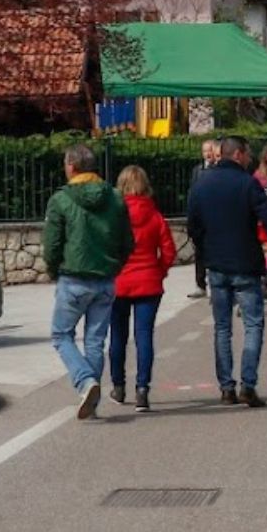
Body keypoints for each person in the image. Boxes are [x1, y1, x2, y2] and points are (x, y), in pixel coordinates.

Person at [186, 135, 267, 407]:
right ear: (238, 155)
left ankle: (226, 386)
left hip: (216, 264)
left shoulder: (201, 184)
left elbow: (193, 225)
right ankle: (248, 383)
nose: (249, 159)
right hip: (245, 262)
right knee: (253, 324)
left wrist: (206, 249)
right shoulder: (248, 183)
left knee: (222, 327)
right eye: (246, 154)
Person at [42, 144, 134, 420]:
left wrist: (53, 269)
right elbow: (127, 241)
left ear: (71, 166)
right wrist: (115, 265)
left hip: (73, 276)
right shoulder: (116, 198)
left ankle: (84, 383)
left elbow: (52, 243)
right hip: (105, 278)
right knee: (95, 341)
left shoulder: (61, 199)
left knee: (61, 334)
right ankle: (90, 400)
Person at [108, 165, 176, 412]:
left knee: (117, 336)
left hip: (119, 281)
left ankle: (118, 386)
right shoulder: (155, 215)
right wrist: (160, 271)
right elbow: (169, 250)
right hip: (148, 280)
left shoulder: (114, 216)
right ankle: (142, 390)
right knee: (144, 336)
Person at [186, 138, 220, 299]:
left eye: (210, 150)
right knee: (199, 251)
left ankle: (215, 284)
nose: (207, 154)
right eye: (205, 151)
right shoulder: (197, 170)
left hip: (214, 215)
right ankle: (200, 284)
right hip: (200, 216)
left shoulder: (219, 170)